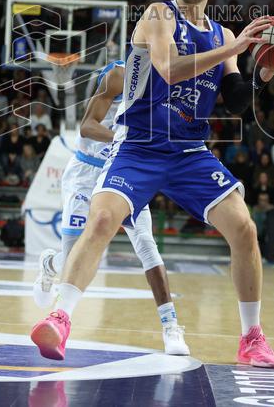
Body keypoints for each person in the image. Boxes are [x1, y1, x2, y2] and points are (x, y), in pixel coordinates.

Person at [30, 0, 274, 367]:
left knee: (244, 228)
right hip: (138, 144)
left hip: (189, 151)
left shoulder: (224, 36)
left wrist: (262, 76)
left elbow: (237, 102)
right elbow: (169, 69)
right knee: (101, 220)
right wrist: (235, 50)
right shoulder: (158, 15)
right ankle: (59, 318)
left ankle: (252, 338)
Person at [31, 61, 189, 355]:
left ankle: (171, 327)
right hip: (87, 171)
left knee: (146, 245)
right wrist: (124, 137)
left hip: (123, 172)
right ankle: (50, 265)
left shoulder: (169, 85)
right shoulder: (118, 74)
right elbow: (87, 126)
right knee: (71, 260)